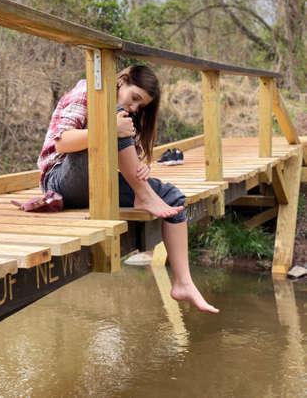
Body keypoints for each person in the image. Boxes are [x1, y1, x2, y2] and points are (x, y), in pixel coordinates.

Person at [38, 65, 219, 313]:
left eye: (141, 105)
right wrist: (108, 128)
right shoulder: (86, 90)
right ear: (121, 80)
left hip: (99, 181)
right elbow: (62, 143)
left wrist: (141, 170)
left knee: (173, 197)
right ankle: (143, 196)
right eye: (135, 98)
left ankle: (183, 283)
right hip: (60, 180)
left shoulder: (123, 114)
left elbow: (129, 155)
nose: (135, 108)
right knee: (114, 116)